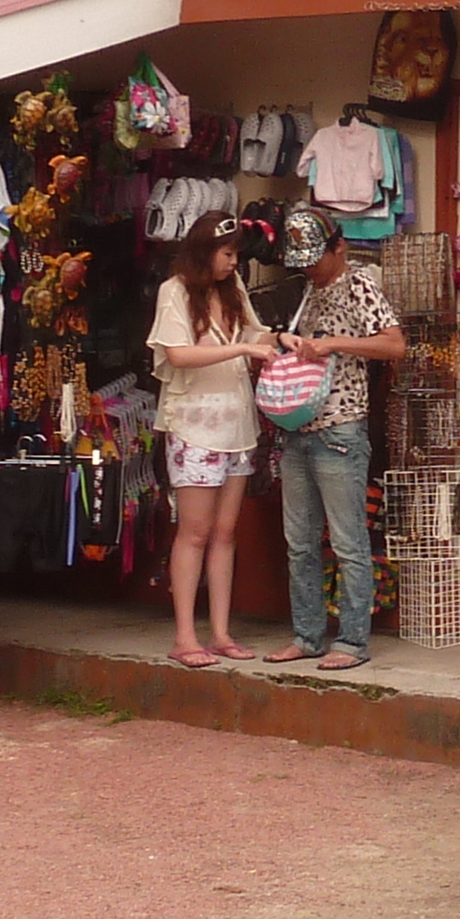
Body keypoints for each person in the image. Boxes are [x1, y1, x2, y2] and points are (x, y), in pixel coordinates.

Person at [264, 203, 404, 670]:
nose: (308, 267)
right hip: (298, 425)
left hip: (341, 426)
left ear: (338, 247)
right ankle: (307, 636)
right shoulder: (306, 291)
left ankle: (351, 641)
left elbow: (394, 344)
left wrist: (333, 344)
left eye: (314, 258)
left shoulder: (360, 283)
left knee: (348, 541)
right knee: (299, 541)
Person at [148, 213, 273, 668]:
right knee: (195, 532)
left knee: (225, 533)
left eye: (237, 254)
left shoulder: (233, 289)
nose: (233, 262)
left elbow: (255, 332)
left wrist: (281, 340)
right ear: (205, 252)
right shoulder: (174, 291)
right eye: (227, 253)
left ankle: (220, 632)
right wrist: (244, 349)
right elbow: (178, 354)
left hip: (238, 425)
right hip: (194, 426)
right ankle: (185, 635)